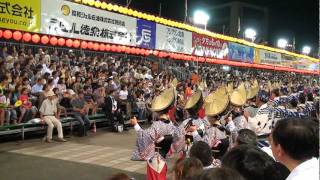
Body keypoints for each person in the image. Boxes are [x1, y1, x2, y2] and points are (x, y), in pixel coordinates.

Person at [130, 88, 183, 160]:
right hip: (165, 155)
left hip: (156, 157)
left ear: (158, 112)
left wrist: (136, 124)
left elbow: (145, 137)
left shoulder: (157, 125)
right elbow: (178, 136)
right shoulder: (170, 123)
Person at [179, 91, 208, 156]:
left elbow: (184, 141)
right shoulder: (203, 122)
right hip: (200, 151)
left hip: (189, 152)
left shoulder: (186, 122)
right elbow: (202, 137)